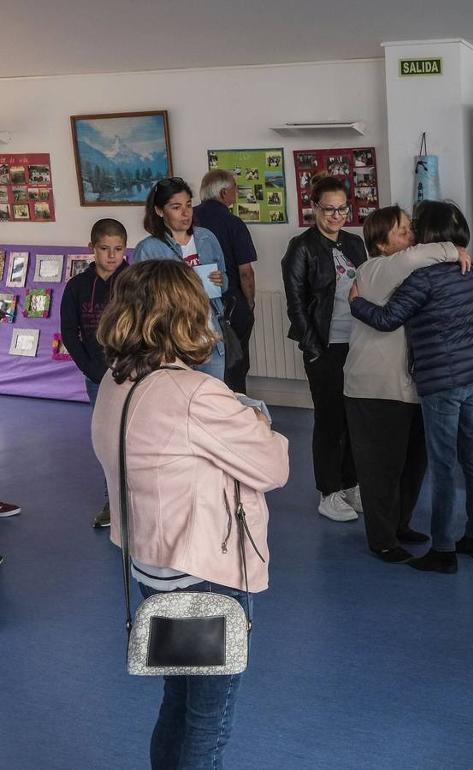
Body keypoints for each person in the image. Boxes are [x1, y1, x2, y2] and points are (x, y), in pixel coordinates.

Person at [91, 260, 289, 770]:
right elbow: (272, 467)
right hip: (204, 576)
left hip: (152, 568)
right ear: (183, 315)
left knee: (178, 703)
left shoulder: (117, 382)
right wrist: (257, 418)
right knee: (209, 720)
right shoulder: (195, 392)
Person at [349, 201, 473, 574]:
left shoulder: (424, 274)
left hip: (438, 379)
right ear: (381, 243)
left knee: (435, 464)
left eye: (414, 229)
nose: (411, 238)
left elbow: (388, 318)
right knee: (465, 459)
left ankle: (439, 546)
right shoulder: (388, 267)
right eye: (403, 231)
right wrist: (455, 248)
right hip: (453, 376)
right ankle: (471, 537)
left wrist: (357, 305)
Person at [281, 175, 365, 523]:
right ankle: (328, 491)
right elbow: (296, 304)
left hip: (358, 343)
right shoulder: (301, 247)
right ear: (313, 208)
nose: (335, 216)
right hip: (324, 346)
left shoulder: (355, 243)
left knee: (354, 418)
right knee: (329, 420)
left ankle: (351, 483)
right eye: (328, 209)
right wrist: (313, 348)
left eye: (342, 209)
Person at [60, 217, 128, 528]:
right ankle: (112, 501)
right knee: (107, 440)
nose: (112, 256)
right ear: (92, 248)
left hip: (133, 374)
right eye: (104, 249)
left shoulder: (134, 282)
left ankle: (139, 499)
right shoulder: (77, 287)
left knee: (135, 437)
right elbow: (69, 332)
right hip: (97, 377)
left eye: (118, 249)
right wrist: (90, 368)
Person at [132, 177, 229, 382]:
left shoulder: (206, 238)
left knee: (211, 403)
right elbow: (140, 300)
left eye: (188, 205)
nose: (186, 213)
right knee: (179, 407)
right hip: (171, 343)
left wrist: (221, 280)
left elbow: (225, 282)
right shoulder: (149, 249)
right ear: (159, 211)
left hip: (209, 338)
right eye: (176, 207)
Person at [194, 170, 259, 393]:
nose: (237, 193)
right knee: (235, 366)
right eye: (235, 188)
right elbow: (246, 273)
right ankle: (234, 415)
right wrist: (249, 302)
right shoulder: (233, 223)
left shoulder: (188, 220)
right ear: (224, 193)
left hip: (193, 306)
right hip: (230, 303)